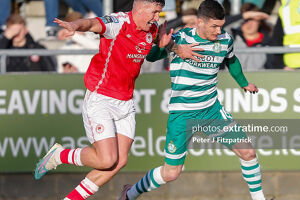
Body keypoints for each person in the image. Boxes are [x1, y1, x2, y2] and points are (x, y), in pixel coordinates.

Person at [34, 0, 200, 200]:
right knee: (106, 159)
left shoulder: (152, 28)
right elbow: (92, 23)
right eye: (155, 12)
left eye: (160, 13)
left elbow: (160, 44)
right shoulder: (118, 23)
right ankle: (59, 155)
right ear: (141, 7)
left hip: (126, 102)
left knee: (119, 162)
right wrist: (75, 26)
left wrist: (176, 48)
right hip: (101, 97)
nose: (158, 17)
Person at [118, 1, 267, 200]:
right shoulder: (180, 38)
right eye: (214, 26)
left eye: (221, 25)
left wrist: (244, 83)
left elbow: (231, 60)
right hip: (182, 115)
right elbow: (152, 57)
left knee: (248, 153)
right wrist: (160, 45)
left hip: (211, 112)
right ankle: (131, 193)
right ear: (200, 22)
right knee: (171, 173)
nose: (218, 30)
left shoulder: (225, 40)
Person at [231, 3, 271, 70]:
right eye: (246, 20)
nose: (249, 23)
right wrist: (243, 15)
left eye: (253, 19)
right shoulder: (230, 37)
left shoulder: (268, 42)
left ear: (259, 21)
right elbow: (219, 24)